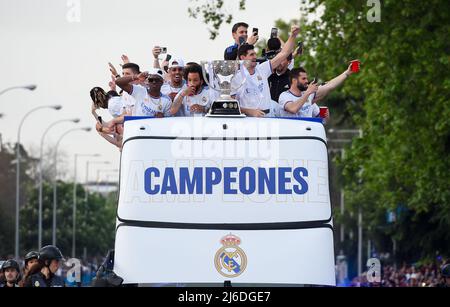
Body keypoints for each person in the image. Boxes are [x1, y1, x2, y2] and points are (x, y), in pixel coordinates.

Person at [231, 25, 300, 117]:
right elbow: (230, 105)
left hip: (268, 117)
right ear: (243, 58)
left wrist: (293, 35)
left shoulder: (262, 69)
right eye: (251, 55)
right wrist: (249, 111)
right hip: (248, 119)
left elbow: (284, 53)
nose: (255, 57)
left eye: (255, 54)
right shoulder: (236, 77)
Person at [278, 61, 357, 118]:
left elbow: (330, 86)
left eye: (307, 78)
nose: (306, 81)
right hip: (292, 138)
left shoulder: (308, 94)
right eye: (303, 78)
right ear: (294, 80)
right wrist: (308, 92)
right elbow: (293, 108)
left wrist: (346, 73)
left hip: (307, 135)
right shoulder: (284, 96)